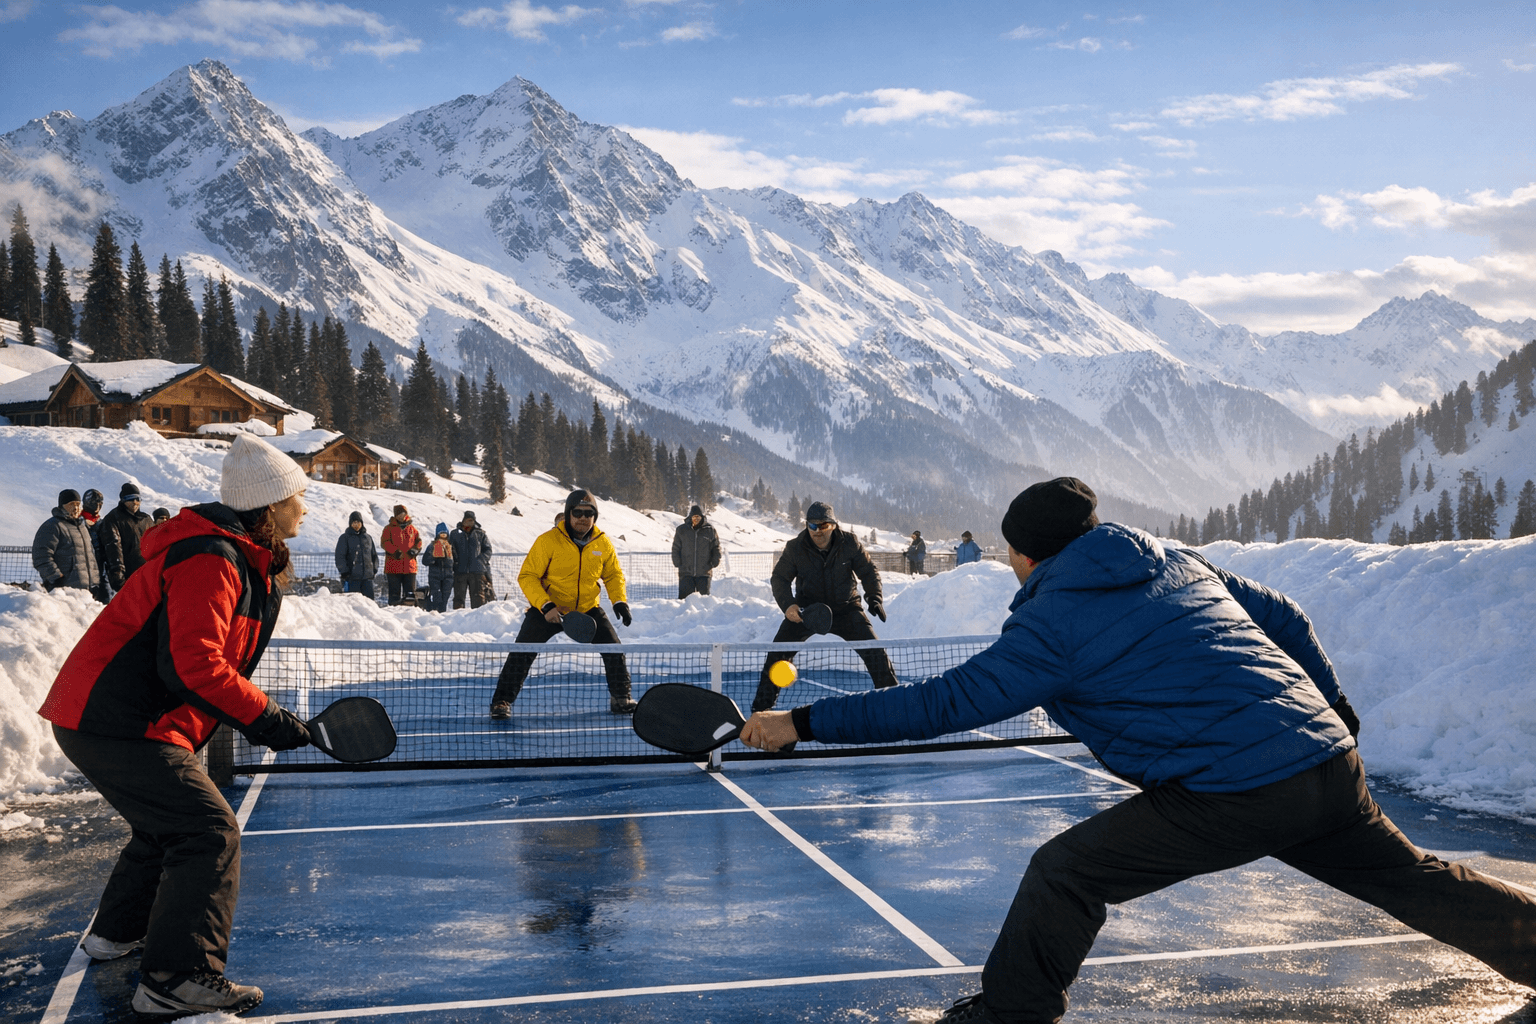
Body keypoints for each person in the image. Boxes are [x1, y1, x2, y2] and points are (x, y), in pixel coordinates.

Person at [741, 477, 1536, 1024]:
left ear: (1027, 557)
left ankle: (1013, 1013)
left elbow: (941, 704)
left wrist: (800, 723)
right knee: (1411, 879)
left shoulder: (1053, 623)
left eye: (1013, 553)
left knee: (1066, 872)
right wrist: (1334, 708)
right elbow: (1288, 616)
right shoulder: (1176, 561)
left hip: (1235, 789)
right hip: (1325, 762)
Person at [38, 433, 314, 1018]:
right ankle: (177, 978)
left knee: (165, 826)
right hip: (115, 721)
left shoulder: (233, 554)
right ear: (270, 505)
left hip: (105, 717)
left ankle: (114, 934)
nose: (305, 509)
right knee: (208, 832)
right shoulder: (213, 558)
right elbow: (196, 665)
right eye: (298, 497)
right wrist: (267, 718)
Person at [489, 489, 635, 718]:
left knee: (613, 649)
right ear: (568, 514)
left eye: (589, 513)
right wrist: (545, 606)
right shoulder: (548, 541)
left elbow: (613, 575)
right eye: (578, 512)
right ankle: (501, 702)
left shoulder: (602, 543)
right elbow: (527, 576)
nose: (583, 518)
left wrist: (619, 601)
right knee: (522, 652)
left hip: (587, 608)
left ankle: (621, 698)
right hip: (548, 609)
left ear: (595, 516)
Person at [751, 500, 897, 717]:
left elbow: (868, 571)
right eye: (812, 525)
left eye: (823, 525)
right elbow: (780, 578)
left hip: (847, 609)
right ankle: (760, 712)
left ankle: (895, 706)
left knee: (875, 653)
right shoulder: (795, 547)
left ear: (833, 525)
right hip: (807, 611)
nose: (817, 531)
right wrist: (789, 606)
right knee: (777, 655)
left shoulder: (850, 543)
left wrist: (874, 597)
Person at [32, 489, 104, 602]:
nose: (76, 508)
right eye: (71, 504)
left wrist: (95, 582)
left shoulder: (82, 527)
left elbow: (90, 557)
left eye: (78, 504)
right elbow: (41, 556)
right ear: (62, 506)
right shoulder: (52, 526)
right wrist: (56, 578)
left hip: (87, 593)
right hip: (63, 591)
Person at [100, 482, 153, 594]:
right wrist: (118, 577)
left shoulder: (146, 519)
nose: (135, 502)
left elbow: (156, 545)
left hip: (147, 574)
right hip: (128, 575)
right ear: (123, 500)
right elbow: (113, 548)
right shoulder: (113, 519)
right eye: (130, 498)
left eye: (138, 499)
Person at [671, 503, 721, 598]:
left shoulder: (710, 530)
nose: (696, 519)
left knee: (703, 601)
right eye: (694, 517)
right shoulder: (681, 530)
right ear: (690, 517)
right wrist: (677, 562)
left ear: (702, 517)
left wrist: (714, 561)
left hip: (704, 572)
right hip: (686, 572)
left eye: (698, 517)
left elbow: (716, 547)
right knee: (684, 601)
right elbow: (676, 548)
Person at [449, 511, 494, 609]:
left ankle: (478, 618)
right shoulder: (455, 533)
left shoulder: (480, 534)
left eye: (471, 520)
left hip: (477, 572)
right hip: (460, 571)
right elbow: (450, 549)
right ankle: (457, 618)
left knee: (478, 600)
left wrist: (481, 561)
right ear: (463, 520)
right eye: (467, 520)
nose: (469, 522)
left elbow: (488, 549)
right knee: (458, 600)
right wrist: (455, 562)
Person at [381, 504, 421, 606]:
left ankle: (410, 613)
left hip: (409, 567)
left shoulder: (412, 529)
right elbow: (385, 542)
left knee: (410, 595)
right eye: (399, 514)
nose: (401, 516)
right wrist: (394, 551)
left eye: (403, 514)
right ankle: (394, 612)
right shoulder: (388, 528)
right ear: (395, 515)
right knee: (394, 595)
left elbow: (419, 541)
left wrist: (415, 550)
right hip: (393, 567)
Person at [335, 510, 379, 599]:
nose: (356, 525)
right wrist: (344, 572)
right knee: (353, 602)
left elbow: (374, 554)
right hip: (352, 578)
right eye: (354, 523)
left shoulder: (368, 537)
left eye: (358, 522)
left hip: (367, 578)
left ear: (362, 523)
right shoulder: (345, 538)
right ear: (350, 524)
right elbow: (340, 556)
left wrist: (374, 569)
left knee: (369, 602)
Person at [81, 488, 110, 602]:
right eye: (94, 502)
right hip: (83, 569)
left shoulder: (102, 523)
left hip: (101, 568)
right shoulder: (78, 522)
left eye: (100, 502)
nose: (98, 505)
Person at [421, 522, 455, 613]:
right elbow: (425, 561)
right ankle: (435, 614)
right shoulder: (432, 546)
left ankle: (441, 616)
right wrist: (434, 558)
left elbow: (456, 561)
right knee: (437, 598)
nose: (443, 536)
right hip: (434, 577)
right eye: (441, 534)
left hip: (448, 577)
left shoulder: (450, 547)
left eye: (445, 534)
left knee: (444, 600)